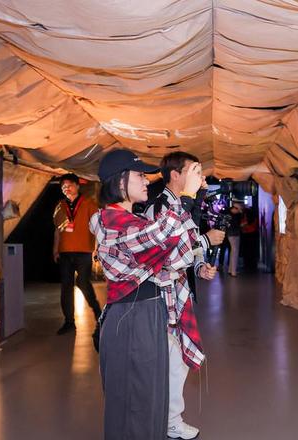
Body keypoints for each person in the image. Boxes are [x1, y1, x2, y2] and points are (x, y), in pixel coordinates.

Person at [89, 149, 202, 440]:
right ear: (120, 181)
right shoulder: (109, 221)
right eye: (139, 175)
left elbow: (176, 257)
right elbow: (160, 239)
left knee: (150, 397)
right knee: (135, 401)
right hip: (132, 316)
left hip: (148, 313)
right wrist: (186, 199)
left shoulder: (132, 220)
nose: (146, 181)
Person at [145, 151, 224, 439]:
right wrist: (206, 240)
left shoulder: (182, 205)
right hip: (162, 296)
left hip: (179, 294)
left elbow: (189, 246)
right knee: (170, 361)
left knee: (176, 360)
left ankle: (169, 419)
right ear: (176, 175)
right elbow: (168, 253)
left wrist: (201, 267)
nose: (200, 177)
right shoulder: (160, 207)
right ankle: (168, 420)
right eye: (195, 171)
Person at [52, 173, 102, 335]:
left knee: (83, 282)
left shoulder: (89, 204)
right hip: (65, 251)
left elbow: (97, 228)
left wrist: (97, 248)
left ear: (78, 186)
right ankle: (69, 322)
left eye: (69, 185)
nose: (66, 188)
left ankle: (98, 313)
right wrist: (55, 249)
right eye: (63, 186)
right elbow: (57, 230)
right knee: (66, 287)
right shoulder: (60, 206)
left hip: (83, 251)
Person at [227, 202, 243, 277]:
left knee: (233, 251)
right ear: (235, 209)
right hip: (234, 234)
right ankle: (233, 271)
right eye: (238, 210)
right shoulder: (233, 216)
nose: (239, 211)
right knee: (235, 252)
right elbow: (237, 225)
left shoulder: (229, 214)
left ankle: (231, 270)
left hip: (230, 234)